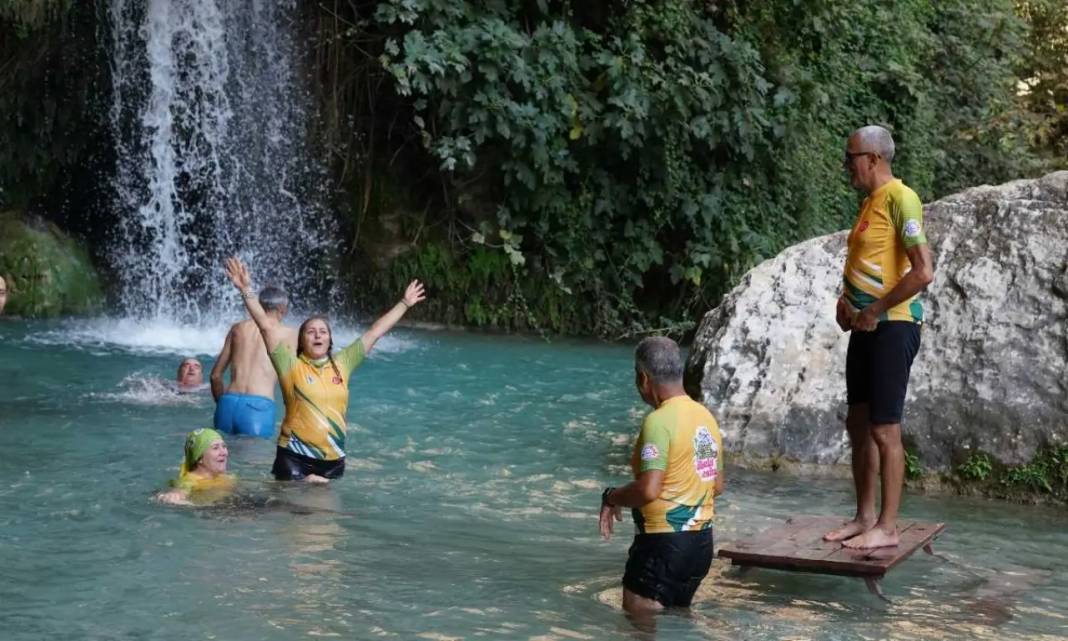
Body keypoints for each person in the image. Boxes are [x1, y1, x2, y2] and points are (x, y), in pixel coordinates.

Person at [824, 125, 934, 549]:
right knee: (858, 422)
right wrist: (846, 303)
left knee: (884, 428)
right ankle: (864, 516)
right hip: (866, 324)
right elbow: (871, 263)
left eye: (849, 157)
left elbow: (923, 271)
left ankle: (887, 528)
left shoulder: (901, 198)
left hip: (894, 323)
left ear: (873, 158)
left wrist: (873, 309)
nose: (845, 165)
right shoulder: (870, 202)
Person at [224, 256, 425, 482]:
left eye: (323, 332)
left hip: (333, 459)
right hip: (293, 455)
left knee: (325, 515)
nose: (318, 335)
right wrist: (245, 289)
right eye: (311, 332)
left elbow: (375, 332)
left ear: (330, 341)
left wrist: (405, 303)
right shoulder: (289, 365)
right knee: (289, 510)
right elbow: (265, 325)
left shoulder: (343, 364)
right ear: (301, 341)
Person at [599, 336, 725, 617]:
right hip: (701, 545)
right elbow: (716, 485)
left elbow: (648, 490)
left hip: (662, 545)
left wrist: (612, 496)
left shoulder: (658, 421)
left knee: (638, 623)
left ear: (643, 378)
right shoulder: (705, 417)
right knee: (678, 622)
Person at [211, 285, 296, 438]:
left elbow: (215, 376)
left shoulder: (237, 328)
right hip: (258, 408)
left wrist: (222, 404)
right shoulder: (288, 334)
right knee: (256, 461)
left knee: (220, 458)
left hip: (227, 403)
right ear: (283, 309)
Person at [157, 428, 236, 506]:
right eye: (215, 448)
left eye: (224, 446)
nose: (223, 452)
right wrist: (174, 495)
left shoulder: (226, 476)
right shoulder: (191, 480)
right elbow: (180, 490)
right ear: (199, 458)